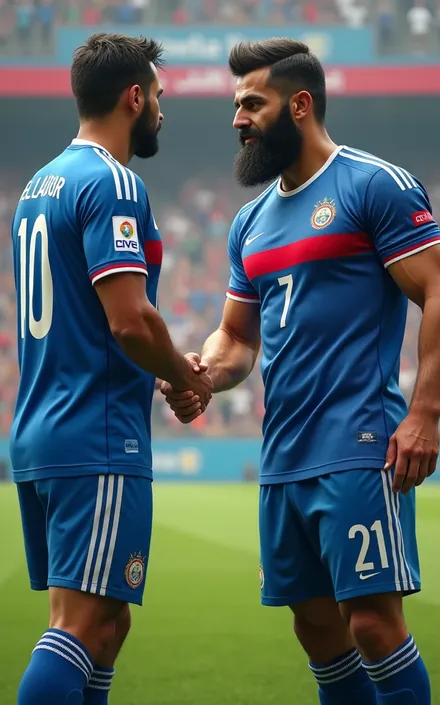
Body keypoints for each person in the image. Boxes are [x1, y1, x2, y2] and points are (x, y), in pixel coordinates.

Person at [161, 38, 440, 705]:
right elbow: (239, 338)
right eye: (236, 104)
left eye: (251, 103)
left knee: (374, 626)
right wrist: (203, 372)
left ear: (300, 104)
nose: (237, 118)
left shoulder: (372, 185)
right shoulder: (250, 223)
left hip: (359, 440)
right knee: (316, 627)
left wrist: (424, 414)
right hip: (284, 453)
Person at [11, 32, 212, 705]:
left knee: (105, 623)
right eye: (158, 96)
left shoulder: (41, 184)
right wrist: (184, 373)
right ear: (134, 96)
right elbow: (129, 319)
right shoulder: (113, 181)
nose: (162, 110)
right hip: (94, 432)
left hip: (43, 425)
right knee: (84, 622)